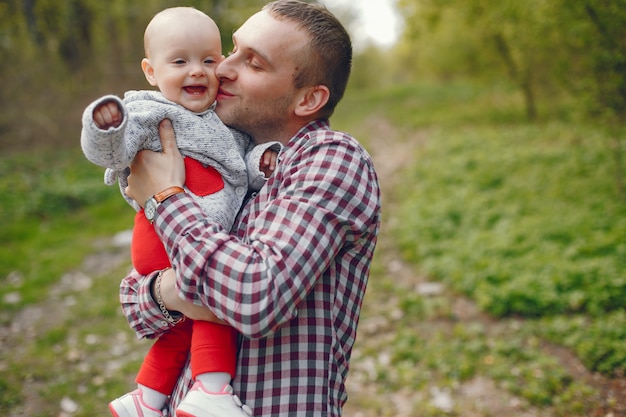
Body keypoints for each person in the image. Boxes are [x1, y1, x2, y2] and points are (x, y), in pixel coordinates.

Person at [121, 1, 381, 416]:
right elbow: (135, 302)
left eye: (253, 63)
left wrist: (165, 198)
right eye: (232, 50)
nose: (221, 69)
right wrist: (175, 291)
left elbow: (255, 296)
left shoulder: (331, 157)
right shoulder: (233, 160)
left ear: (309, 98)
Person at [80, 7, 279, 417]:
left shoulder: (225, 120)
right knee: (214, 301)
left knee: (182, 324)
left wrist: (265, 162)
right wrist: (107, 126)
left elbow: (242, 163)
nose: (197, 71)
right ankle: (212, 389)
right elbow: (113, 151)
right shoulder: (150, 111)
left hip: (192, 232)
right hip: (161, 232)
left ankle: (146, 398)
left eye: (209, 60)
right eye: (180, 61)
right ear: (151, 71)